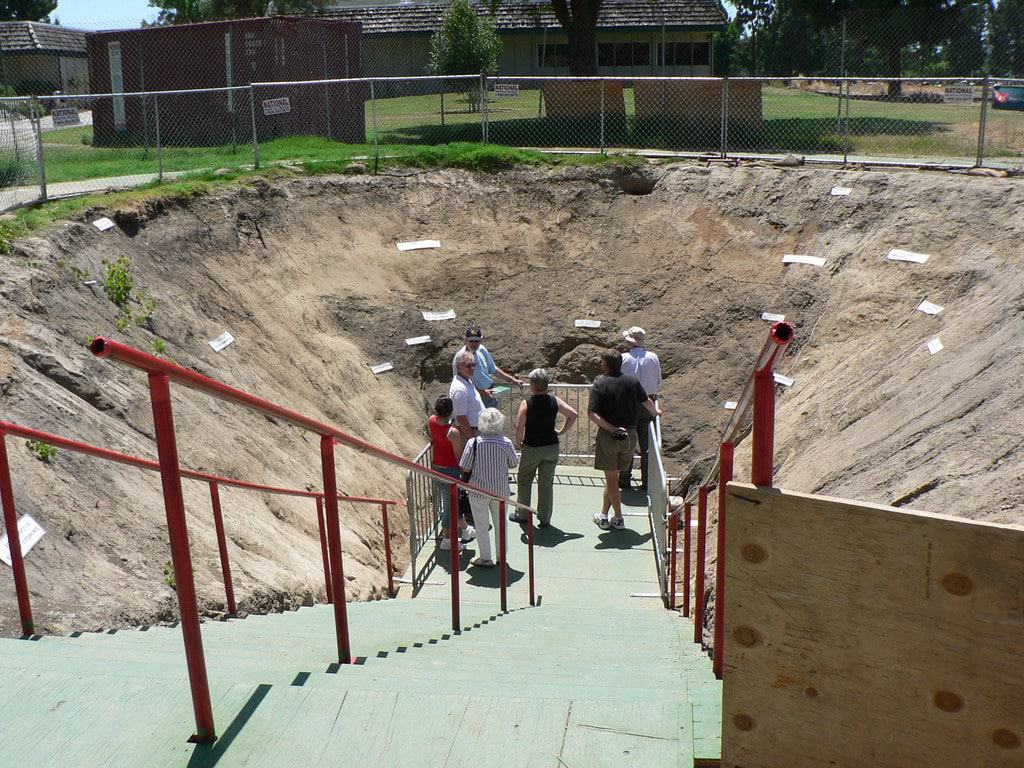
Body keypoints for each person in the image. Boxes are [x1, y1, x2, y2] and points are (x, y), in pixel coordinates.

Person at [588, 349, 660, 531]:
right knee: (613, 478)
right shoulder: (632, 381)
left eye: (601, 362)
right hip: (629, 437)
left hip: (609, 437)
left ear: (606, 365)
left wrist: (611, 428)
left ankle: (618, 518)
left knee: (612, 479)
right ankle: (604, 515)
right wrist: (656, 413)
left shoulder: (600, 383)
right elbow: (647, 402)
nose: (600, 365)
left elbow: (592, 413)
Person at [512, 368, 578, 528]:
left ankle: (522, 514)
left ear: (533, 385)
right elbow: (573, 414)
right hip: (551, 447)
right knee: (546, 483)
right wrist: (561, 432)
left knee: (524, 480)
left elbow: (519, 426)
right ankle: (545, 518)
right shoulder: (555, 401)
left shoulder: (526, 404)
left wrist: (519, 442)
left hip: (532, 447)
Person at [459, 408, 519, 568]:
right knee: (501, 524)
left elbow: (464, 466)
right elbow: (514, 463)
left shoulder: (473, 443)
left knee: (481, 525)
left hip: (478, 490)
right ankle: (501, 557)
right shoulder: (505, 442)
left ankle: (485, 558)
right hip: (500, 491)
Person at [428, 396, 475, 551]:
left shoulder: (432, 421)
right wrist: (465, 471)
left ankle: (465, 529)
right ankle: (447, 540)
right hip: (450, 471)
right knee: (450, 505)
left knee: (452, 502)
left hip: (437, 468)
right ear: (451, 412)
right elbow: (458, 455)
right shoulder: (452, 432)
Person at [619, 326, 662, 491]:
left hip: (628, 404)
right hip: (648, 402)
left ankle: (624, 479)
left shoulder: (623, 358)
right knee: (647, 445)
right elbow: (657, 380)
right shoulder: (653, 357)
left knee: (627, 443)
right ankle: (647, 481)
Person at [452, 325, 524, 408]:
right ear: (465, 341)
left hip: (491, 392)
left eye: (477, 341)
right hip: (475, 397)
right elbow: (460, 382)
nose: (474, 344)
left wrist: (512, 380)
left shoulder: (482, 349)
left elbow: (494, 370)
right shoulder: (460, 358)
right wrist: (481, 392)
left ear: (481, 340)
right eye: (471, 341)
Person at [450, 350, 486, 441]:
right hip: (470, 433)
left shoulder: (466, 380)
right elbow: (461, 418)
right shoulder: (459, 389)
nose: (472, 368)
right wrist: (472, 439)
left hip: (476, 430)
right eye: (468, 366)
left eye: (474, 365)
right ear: (459, 367)